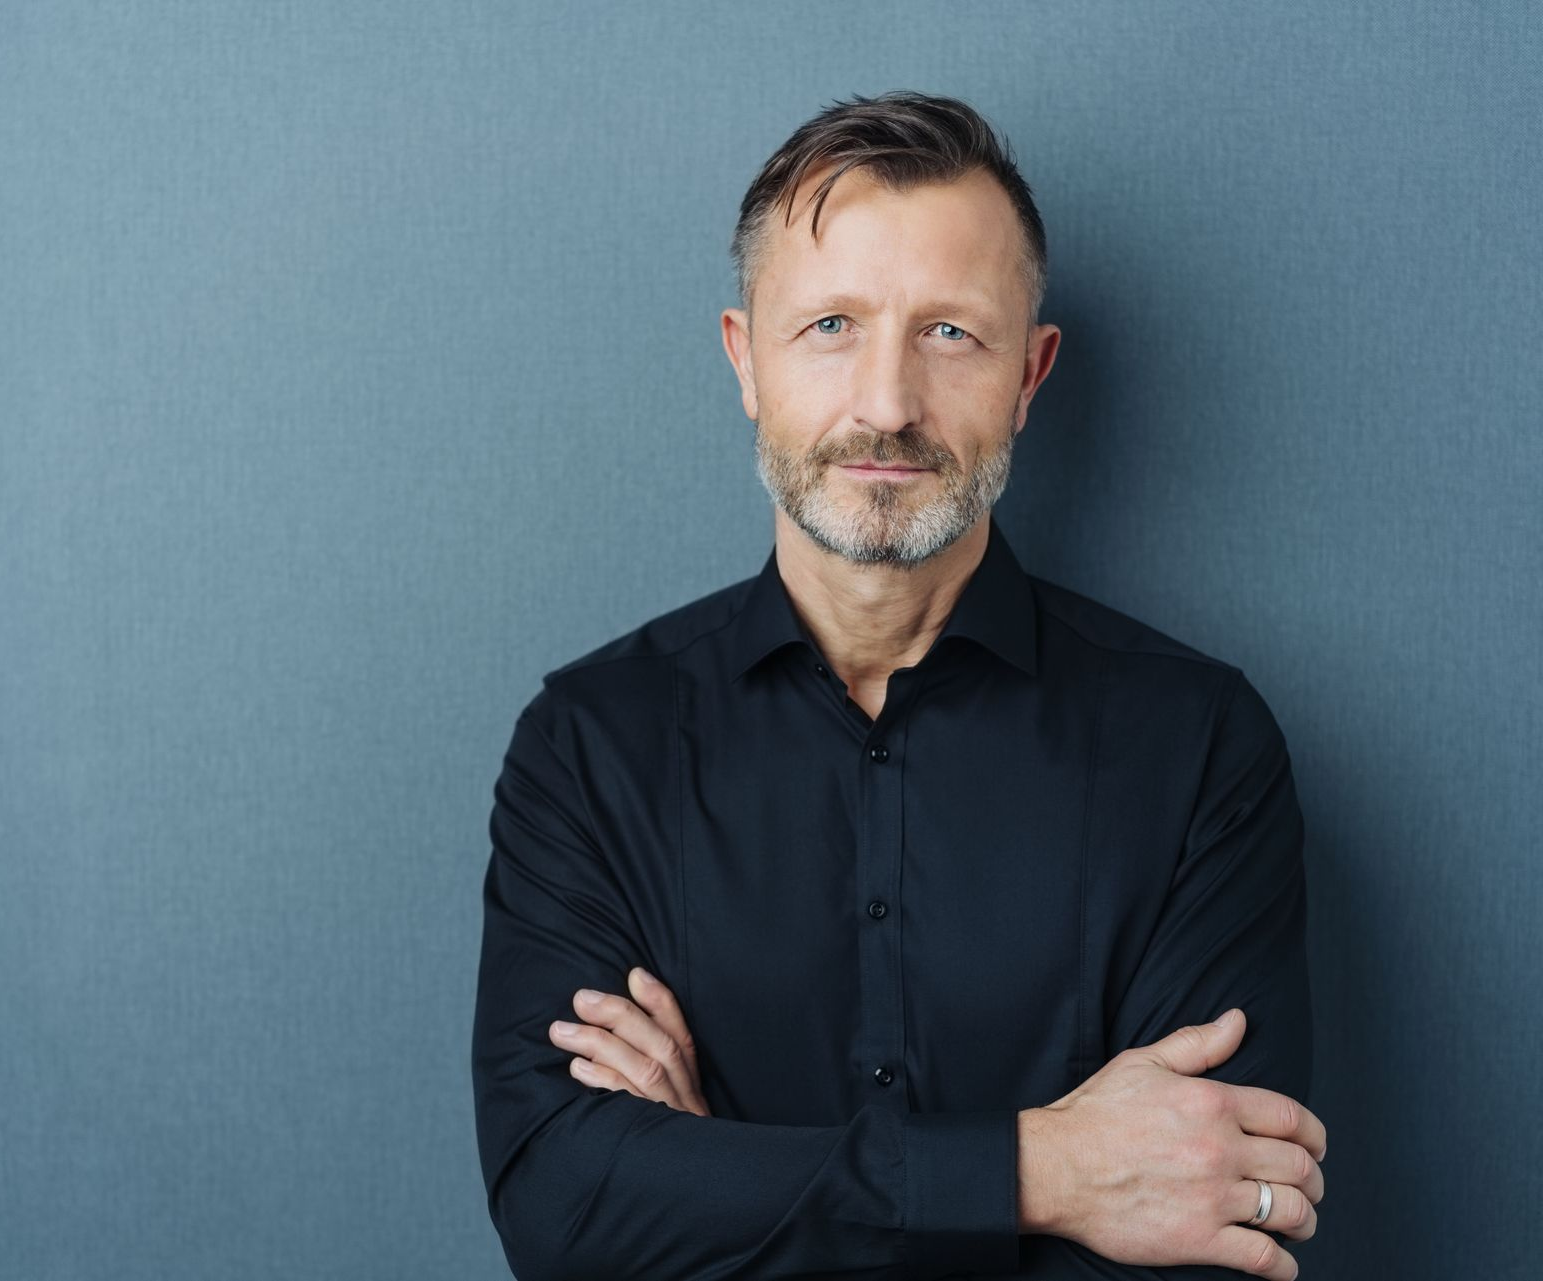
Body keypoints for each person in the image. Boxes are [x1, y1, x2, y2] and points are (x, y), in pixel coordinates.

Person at [471, 90, 1326, 1281]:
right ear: (744, 361)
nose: (885, 404)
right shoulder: (588, 747)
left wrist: (721, 1186)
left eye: (949, 334)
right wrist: (1047, 1172)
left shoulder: (1196, 749)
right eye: (829, 325)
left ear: (1030, 376)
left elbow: (1218, 1224)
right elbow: (566, 1214)